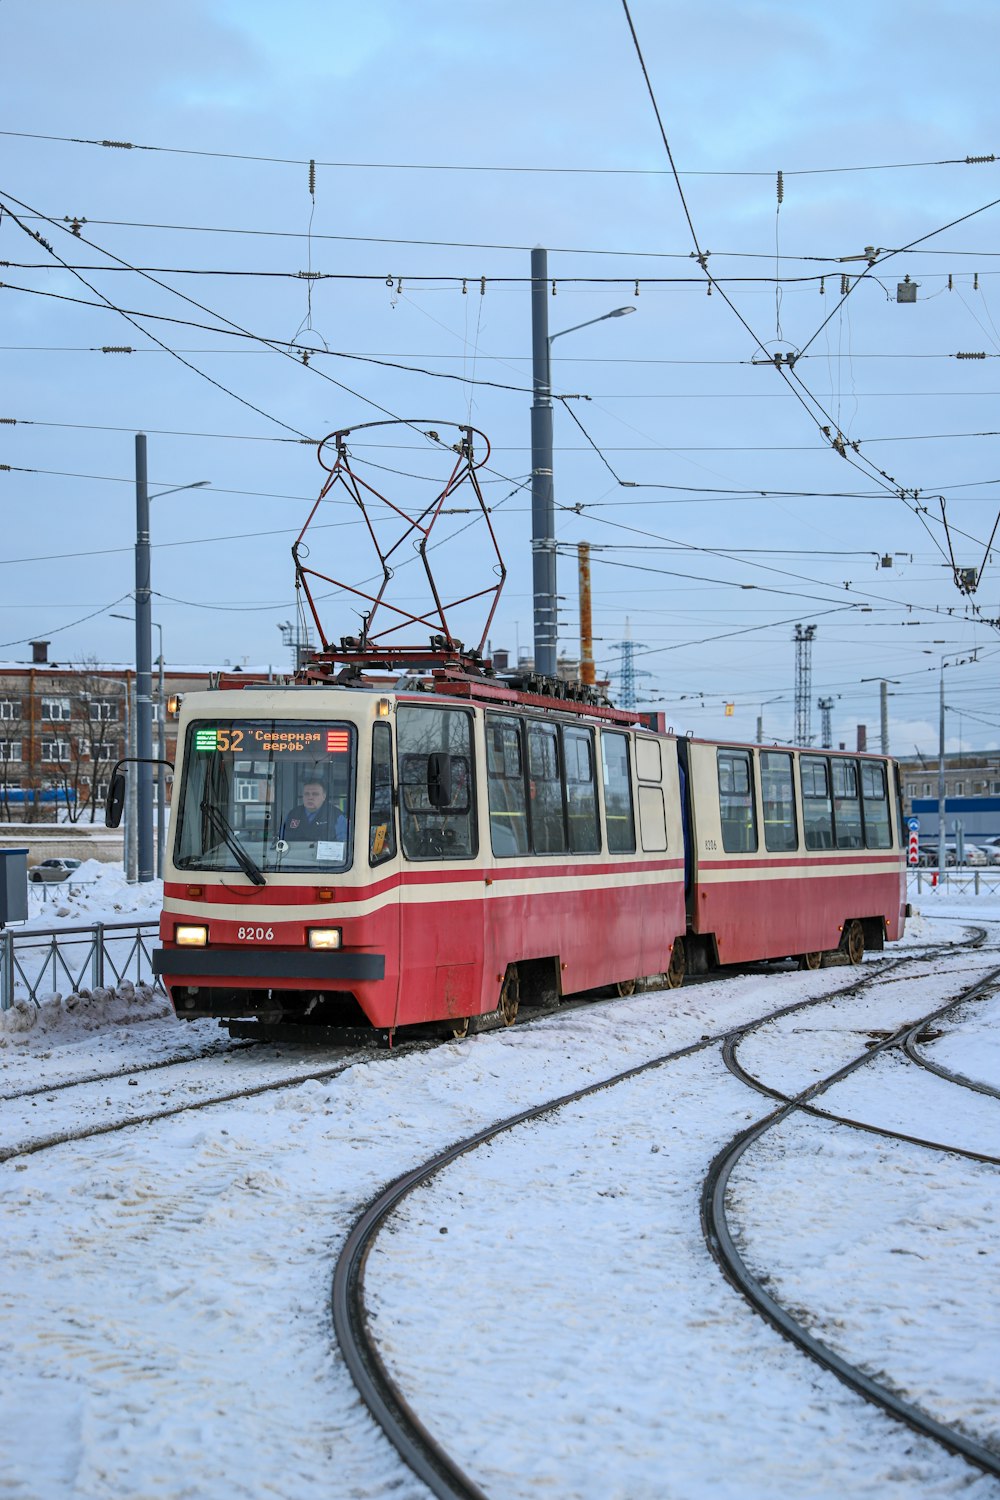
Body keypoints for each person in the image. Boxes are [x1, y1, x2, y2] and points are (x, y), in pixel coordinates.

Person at [281, 779, 347, 842]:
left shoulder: (336, 815)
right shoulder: (293, 814)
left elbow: (342, 844)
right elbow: (281, 840)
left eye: (315, 794)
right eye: (307, 794)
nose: (310, 797)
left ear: (324, 796)